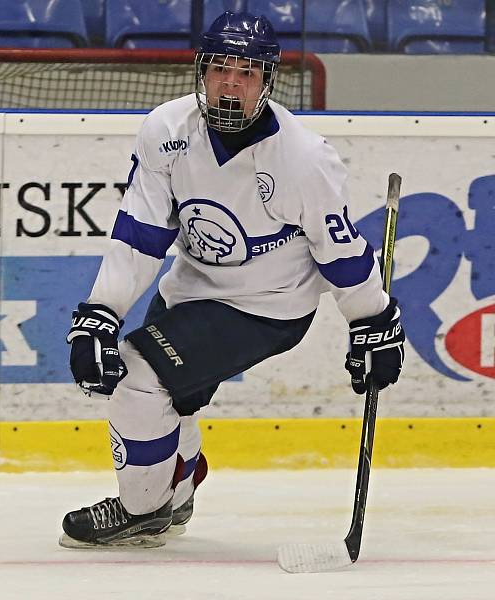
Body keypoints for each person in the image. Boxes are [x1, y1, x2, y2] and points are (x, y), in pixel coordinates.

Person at [60, 11, 405, 548]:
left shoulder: (303, 158)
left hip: (267, 308)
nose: (230, 84)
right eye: (220, 69)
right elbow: (141, 232)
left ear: (267, 81)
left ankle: (142, 509)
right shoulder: (167, 131)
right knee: (176, 399)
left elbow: (339, 254)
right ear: (201, 72)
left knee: (137, 375)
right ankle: (178, 483)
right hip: (190, 288)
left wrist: (374, 319)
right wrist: (101, 310)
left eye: (246, 72)